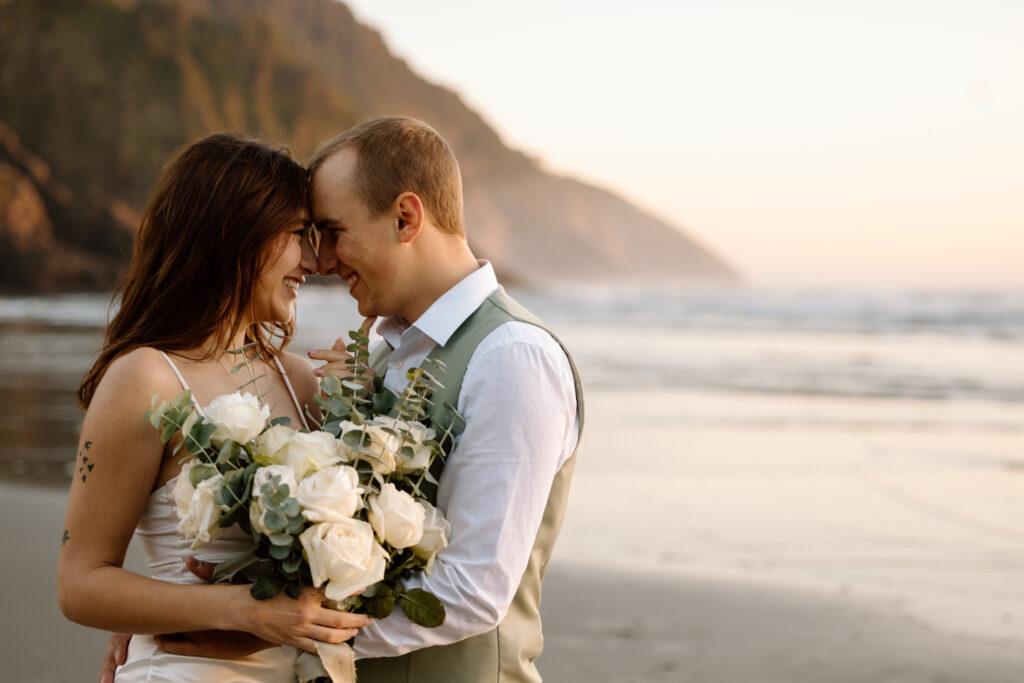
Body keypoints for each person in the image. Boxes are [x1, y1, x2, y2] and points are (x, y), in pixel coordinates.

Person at [58, 133, 369, 682]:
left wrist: (359, 410)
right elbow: (80, 583)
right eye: (298, 234)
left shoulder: (299, 380)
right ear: (236, 232)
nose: (314, 261)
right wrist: (242, 612)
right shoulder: (145, 378)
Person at [307, 116, 584, 681]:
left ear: (406, 217)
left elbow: (472, 589)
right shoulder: (383, 354)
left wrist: (293, 634)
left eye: (334, 231)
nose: (323, 261)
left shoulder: (511, 355)